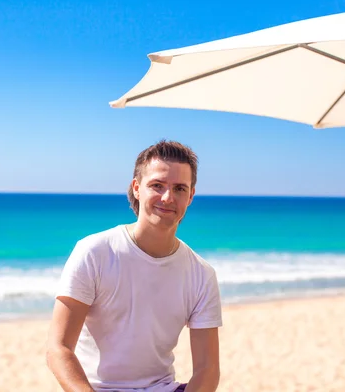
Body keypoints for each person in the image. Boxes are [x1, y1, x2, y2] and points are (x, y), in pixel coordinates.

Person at [46, 140, 223, 392]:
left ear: (191, 196)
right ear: (137, 188)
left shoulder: (201, 274)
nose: (168, 197)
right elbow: (58, 349)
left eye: (180, 188)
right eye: (157, 185)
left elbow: (207, 369)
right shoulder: (95, 252)